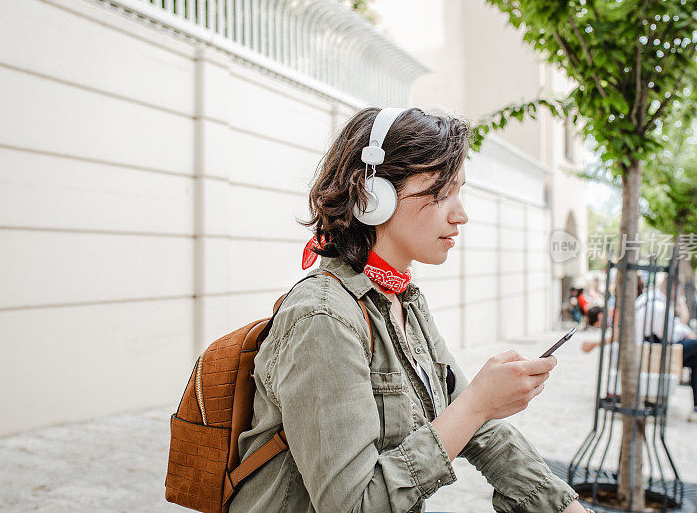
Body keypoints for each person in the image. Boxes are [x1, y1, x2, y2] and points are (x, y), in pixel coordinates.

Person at [230, 107, 592, 513]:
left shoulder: (403, 299)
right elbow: (352, 506)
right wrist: (477, 405)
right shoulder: (324, 318)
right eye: (441, 193)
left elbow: (477, 424)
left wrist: (562, 506)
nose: (461, 214)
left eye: (460, 191)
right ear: (373, 197)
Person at [582, 289, 697, 425]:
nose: (603, 327)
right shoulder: (642, 305)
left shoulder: (624, 312)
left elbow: (620, 335)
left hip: (650, 352)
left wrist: (594, 344)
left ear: (600, 316)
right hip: (648, 353)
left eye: (600, 324)